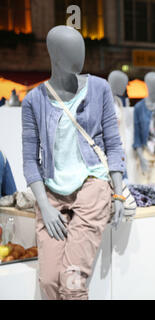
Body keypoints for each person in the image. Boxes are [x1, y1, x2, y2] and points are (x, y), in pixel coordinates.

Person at [22, 26, 126, 300]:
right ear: (54, 55)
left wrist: (117, 192)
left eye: (81, 47)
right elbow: (30, 160)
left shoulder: (99, 89)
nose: (79, 55)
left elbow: (113, 144)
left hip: (92, 186)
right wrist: (44, 205)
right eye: (72, 49)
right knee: (48, 283)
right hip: (52, 192)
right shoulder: (34, 100)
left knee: (72, 283)